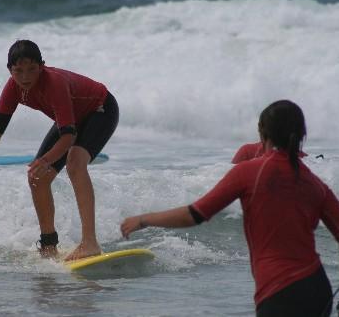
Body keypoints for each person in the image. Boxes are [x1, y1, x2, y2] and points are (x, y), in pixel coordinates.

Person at [121, 100, 339, 317]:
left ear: (263, 135)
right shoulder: (316, 185)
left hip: (278, 290)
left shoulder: (249, 172)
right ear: (302, 135)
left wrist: (143, 219)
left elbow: (195, 214)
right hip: (317, 289)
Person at [0, 40, 119, 261]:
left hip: (100, 109)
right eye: (18, 71)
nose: (25, 77)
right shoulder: (12, 87)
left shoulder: (54, 83)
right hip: (72, 119)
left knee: (75, 163)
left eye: (32, 70)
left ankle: (90, 242)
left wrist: (46, 160)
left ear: (42, 66)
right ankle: (48, 246)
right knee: (37, 178)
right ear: (10, 70)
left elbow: (69, 136)